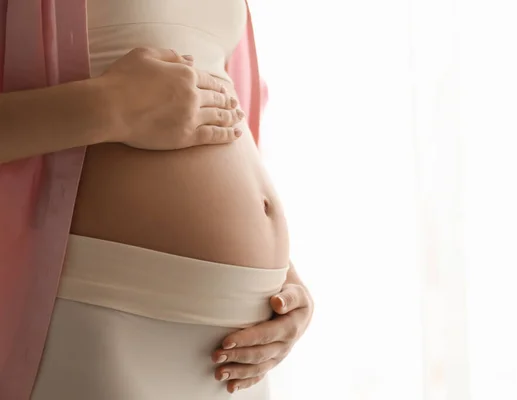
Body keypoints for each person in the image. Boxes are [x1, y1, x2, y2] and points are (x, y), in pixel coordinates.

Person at [0, 0, 313, 399]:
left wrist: (283, 281)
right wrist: (111, 107)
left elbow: (216, 105)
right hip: (100, 318)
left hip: (237, 353)